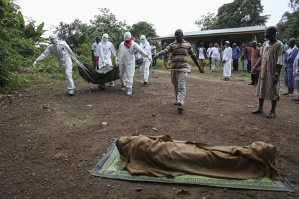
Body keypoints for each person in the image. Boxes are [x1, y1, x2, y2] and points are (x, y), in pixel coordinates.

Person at [153, 29, 204, 111]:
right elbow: (165, 50)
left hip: (183, 69)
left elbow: (193, 56)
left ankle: (180, 102)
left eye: (178, 35)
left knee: (181, 85)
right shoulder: (172, 44)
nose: (176, 36)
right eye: (175, 35)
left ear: (182, 35)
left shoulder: (187, 44)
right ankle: (177, 99)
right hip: (174, 69)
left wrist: (199, 67)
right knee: (175, 86)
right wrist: (158, 54)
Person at [251, 26, 284, 118]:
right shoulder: (265, 43)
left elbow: (280, 61)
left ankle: (273, 111)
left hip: (272, 72)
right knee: (262, 88)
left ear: (274, 33)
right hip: (263, 71)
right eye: (265, 33)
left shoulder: (279, 44)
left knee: (273, 89)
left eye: (267, 33)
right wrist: (255, 66)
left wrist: (277, 74)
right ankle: (260, 108)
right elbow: (262, 57)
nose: (265, 35)